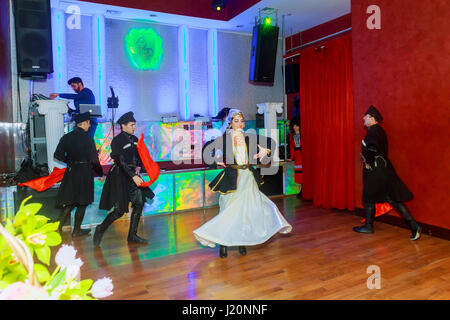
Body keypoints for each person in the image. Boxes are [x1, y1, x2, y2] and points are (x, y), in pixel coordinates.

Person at [194, 109, 292, 258]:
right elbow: (206, 150)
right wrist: (214, 162)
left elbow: (270, 143)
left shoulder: (249, 137)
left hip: (248, 177)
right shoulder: (224, 139)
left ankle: (241, 242)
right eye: (236, 121)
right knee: (228, 212)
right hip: (232, 179)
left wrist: (265, 151)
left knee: (246, 213)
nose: (240, 124)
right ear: (230, 123)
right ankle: (223, 244)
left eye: (242, 121)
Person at [353, 105, 421, 240]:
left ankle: (368, 226)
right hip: (382, 170)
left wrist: (368, 159)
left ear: (372, 118)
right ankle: (414, 226)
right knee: (390, 199)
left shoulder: (374, 131)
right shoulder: (377, 131)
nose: (363, 118)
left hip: (376, 171)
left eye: (365, 116)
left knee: (369, 198)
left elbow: (372, 149)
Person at [93, 111, 155, 246]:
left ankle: (132, 235)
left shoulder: (135, 139)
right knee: (119, 211)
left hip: (133, 176)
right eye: (132, 125)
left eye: (135, 125)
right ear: (123, 125)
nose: (134, 127)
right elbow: (120, 162)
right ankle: (100, 229)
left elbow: (140, 157)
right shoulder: (117, 140)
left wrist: (139, 168)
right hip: (120, 176)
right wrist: (133, 176)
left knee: (139, 203)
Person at [54, 112, 103, 237]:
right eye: (89, 123)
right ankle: (76, 230)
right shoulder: (88, 139)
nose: (90, 126)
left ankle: (57, 229)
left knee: (70, 203)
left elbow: (57, 155)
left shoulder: (66, 137)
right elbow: (94, 160)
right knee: (82, 203)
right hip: (84, 172)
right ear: (85, 123)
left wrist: (70, 162)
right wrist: (100, 172)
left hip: (71, 172)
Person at [288, 117, 303, 198]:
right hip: (297, 156)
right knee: (299, 173)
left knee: (304, 172)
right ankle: (301, 189)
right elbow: (291, 147)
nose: (295, 127)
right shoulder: (291, 136)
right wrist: (292, 157)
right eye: (294, 126)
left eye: (296, 125)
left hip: (302, 155)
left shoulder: (303, 134)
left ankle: (303, 190)